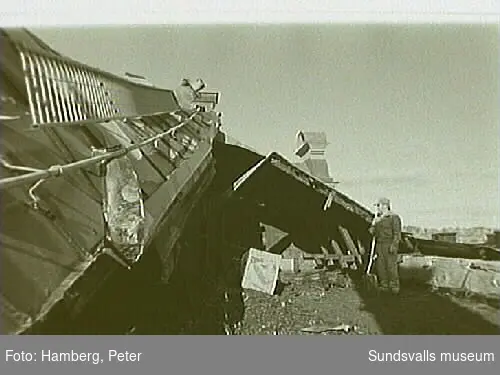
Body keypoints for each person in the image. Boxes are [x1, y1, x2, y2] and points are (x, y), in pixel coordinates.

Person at [369, 197, 402, 295]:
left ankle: (394, 286)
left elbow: (397, 233)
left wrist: (394, 245)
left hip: (389, 244)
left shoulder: (394, 217)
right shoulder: (378, 219)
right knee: (381, 266)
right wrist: (373, 224)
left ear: (385, 206)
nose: (377, 208)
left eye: (378, 206)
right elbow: (372, 232)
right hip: (380, 244)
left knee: (391, 266)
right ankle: (384, 285)